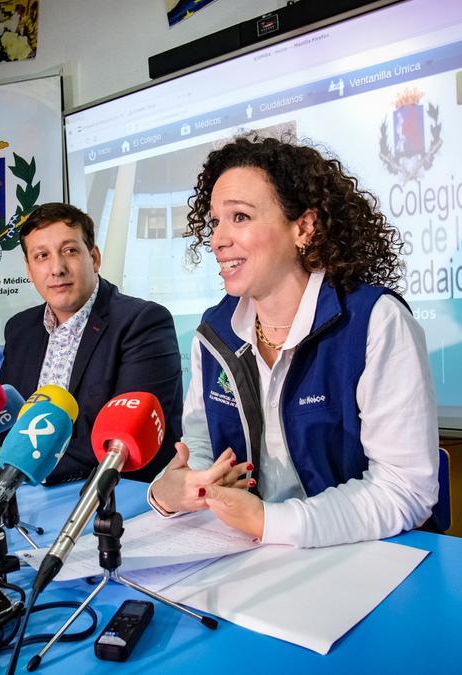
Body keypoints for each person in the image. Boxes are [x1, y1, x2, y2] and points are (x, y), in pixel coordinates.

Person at [147, 135, 439, 548]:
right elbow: (200, 444)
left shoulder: (375, 321)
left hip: (362, 560)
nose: (217, 239)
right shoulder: (214, 334)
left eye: (240, 218)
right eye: (214, 221)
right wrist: (173, 488)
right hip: (246, 552)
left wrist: (271, 522)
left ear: (303, 227)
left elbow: (405, 489)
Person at [0, 202, 183, 485]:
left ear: (93, 258)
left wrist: (20, 468)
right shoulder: (20, 329)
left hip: (113, 493)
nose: (57, 268)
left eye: (70, 251)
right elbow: (11, 423)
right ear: (29, 269)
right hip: (25, 491)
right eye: (41, 256)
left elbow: (121, 443)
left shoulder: (143, 323)